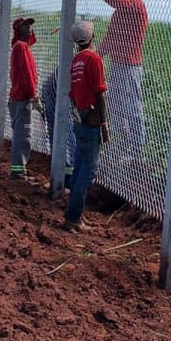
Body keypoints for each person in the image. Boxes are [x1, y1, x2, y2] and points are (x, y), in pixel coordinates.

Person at [80, 0, 147, 159]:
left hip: (130, 66)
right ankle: (121, 142)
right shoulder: (119, 13)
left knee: (133, 107)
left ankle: (135, 150)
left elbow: (116, 0)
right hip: (117, 65)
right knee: (116, 105)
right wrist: (95, 59)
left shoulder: (135, 5)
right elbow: (110, 40)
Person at [63, 20, 110, 230]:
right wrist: (104, 122)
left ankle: (75, 213)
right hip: (91, 122)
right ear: (92, 37)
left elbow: (73, 93)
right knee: (88, 171)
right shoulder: (93, 59)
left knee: (79, 167)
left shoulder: (76, 61)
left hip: (80, 119)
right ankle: (73, 217)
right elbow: (100, 92)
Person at [8, 16, 40, 181]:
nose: (29, 28)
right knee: (23, 136)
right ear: (18, 30)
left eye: (29, 26)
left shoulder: (21, 47)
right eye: (25, 26)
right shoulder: (21, 47)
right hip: (22, 99)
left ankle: (19, 171)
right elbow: (27, 74)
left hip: (19, 98)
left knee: (21, 134)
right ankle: (18, 174)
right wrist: (34, 95)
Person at [40, 66, 77, 190]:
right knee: (68, 142)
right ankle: (66, 179)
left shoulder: (72, 68)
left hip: (55, 101)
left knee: (62, 140)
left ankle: (64, 176)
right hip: (55, 102)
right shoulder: (72, 70)